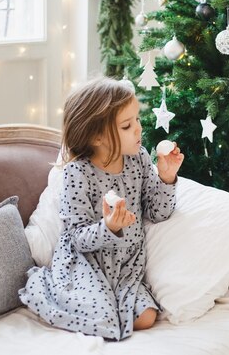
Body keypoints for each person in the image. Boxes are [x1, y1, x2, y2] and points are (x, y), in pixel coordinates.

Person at [19, 77, 184, 341]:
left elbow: (158, 212)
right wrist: (108, 228)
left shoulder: (139, 160)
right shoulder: (78, 173)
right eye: (127, 126)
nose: (139, 130)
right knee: (103, 317)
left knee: (146, 317)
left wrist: (166, 178)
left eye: (138, 120)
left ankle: (107, 303)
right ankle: (51, 288)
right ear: (97, 136)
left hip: (127, 268)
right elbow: (76, 237)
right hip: (85, 264)